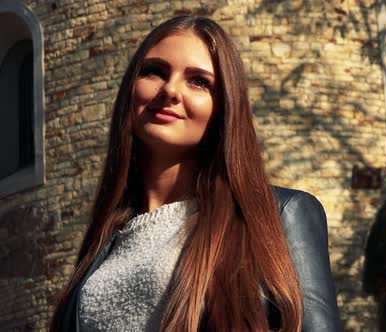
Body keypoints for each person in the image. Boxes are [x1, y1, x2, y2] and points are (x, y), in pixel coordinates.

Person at [50, 16, 341, 331]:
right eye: (154, 72)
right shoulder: (104, 243)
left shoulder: (280, 214)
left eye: (199, 81)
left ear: (223, 109)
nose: (170, 90)